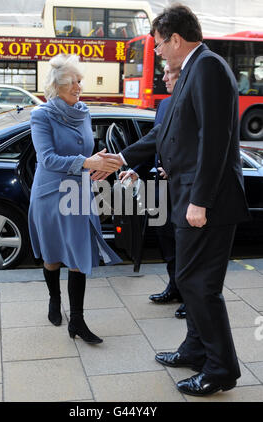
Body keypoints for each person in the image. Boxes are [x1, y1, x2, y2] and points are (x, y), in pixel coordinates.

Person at [89, 4, 250, 396]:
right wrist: (121, 158)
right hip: (189, 197)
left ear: (176, 39)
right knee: (190, 282)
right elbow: (166, 134)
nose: (158, 51)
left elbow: (215, 141)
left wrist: (200, 201)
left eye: (160, 44)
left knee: (198, 285)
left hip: (205, 203)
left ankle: (221, 369)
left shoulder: (208, 67)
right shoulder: (193, 70)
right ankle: (196, 349)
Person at [28, 54, 121, 345]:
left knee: (80, 255)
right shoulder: (41, 115)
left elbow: (87, 152)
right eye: (73, 82)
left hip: (79, 192)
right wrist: (87, 162)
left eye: (80, 81)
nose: (79, 86)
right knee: (53, 256)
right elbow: (48, 159)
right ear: (58, 85)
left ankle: (77, 321)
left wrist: (100, 164)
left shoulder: (83, 112)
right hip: (50, 193)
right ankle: (55, 301)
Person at [119, 63, 186, 319]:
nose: (164, 78)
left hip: (183, 189)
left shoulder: (193, 106)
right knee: (166, 240)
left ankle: (191, 300)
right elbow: (155, 146)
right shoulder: (165, 105)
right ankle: (174, 287)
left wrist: (175, 167)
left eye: (170, 74)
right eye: (165, 73)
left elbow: (199, 148)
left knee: (185, 246)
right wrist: (136, 169)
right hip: (160, 189)